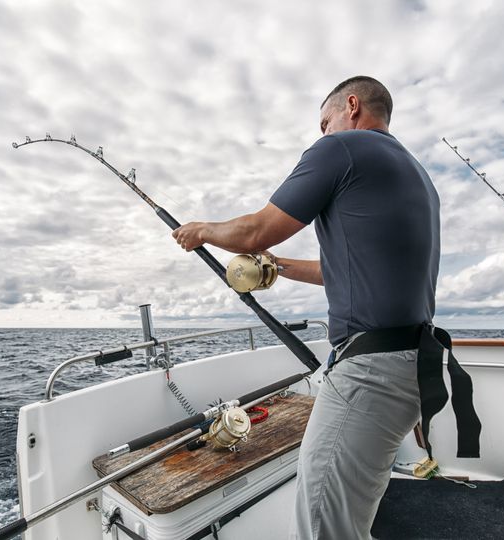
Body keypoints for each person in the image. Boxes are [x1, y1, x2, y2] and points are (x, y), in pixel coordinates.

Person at [172, 76, 442, 539]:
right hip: (413, 365)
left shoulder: (342, 149)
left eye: (325, 121)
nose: (322, 133)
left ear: (351, 106)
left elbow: (256, 230)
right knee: (349, 517)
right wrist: (279, 268)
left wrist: (201, 230)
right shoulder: (415, 173)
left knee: (323, 526)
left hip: (370, 373)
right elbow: (352, 268)